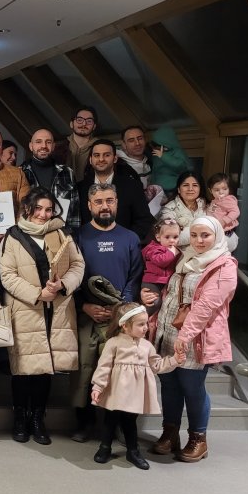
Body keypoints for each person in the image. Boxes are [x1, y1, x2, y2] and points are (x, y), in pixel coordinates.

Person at [142, 216, 237, 463]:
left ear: (216, 236)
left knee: (191, 387)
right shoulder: (185, 258)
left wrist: (184, 336)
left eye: (205, 235)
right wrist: (150, 297)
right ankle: (169, 433)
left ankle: (198, 438)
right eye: (194, 235)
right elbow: (170, 291)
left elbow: (207, 306)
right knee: (170, 385)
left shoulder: (224, 265)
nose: (199, 240)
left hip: (196, 337)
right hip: (167, 331)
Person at [0, 187, 85, 445]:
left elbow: (77, 265)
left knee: (45, 368)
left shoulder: (62, 234)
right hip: (27, 309)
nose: (43, 214)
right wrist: (38, 294)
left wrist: (62, 286)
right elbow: (7, 276)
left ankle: (38, 418)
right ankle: (20, 418)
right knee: (23, 369)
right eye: (38, 209)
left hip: (56, 309)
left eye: (48, 209)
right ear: (28, 208)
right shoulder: (12, 237)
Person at [72, 183, 144, 442]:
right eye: (99, 201)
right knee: (85, 371)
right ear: (90, 205)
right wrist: (85, 305)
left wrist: (120, 307)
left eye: (110, 200)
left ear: (117, 203)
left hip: (120, 319)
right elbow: (73, 276)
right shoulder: (78, 237)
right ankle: (84, 423)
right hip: (87, 316)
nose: (105, 206)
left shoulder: (130, 238)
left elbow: (135, 277)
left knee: (117, 372)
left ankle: (111, 427)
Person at [91, 302, 183, 470]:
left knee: (130, 422)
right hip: (115, 392)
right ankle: (104, 447)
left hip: (134, 394)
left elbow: (157, 366)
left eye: (146, 323)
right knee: (110, 420)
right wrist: (98, 387)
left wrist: (174, 360)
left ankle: (133, 451)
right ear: (125, 326)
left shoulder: (147, 346)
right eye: (141, 324)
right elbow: (103, 367)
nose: (146, 328)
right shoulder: (114, 343)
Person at [77, 139, 154, 240]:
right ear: (90, 160)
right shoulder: (79, 188)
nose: (101, 159)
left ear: (115, 159)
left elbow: (144, 220)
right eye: (96, 155)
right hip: (88, 248)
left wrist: (127, 241)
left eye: (106, 155)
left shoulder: (132, 186)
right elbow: (76, 222)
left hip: (123, 247)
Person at [20, 128, 80, 229]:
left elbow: (75, 210)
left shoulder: (67, 172)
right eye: (38, 142)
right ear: (31, 146)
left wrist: (73, 237)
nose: (43, 146)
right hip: (28, 236)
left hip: (60, 235)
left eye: (48, 142)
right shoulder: (20, 173)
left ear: (53, 146)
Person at [141, 218, 181, 315]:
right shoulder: (153, 249)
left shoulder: (175, 250)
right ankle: (141, 318)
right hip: (152, 282)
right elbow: (161, 261)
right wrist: (172, 253)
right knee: (154, 303)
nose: (171, 240)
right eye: (167, 237)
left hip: (165, 282)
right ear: (158, 237)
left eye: (175, 237)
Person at [160, 171, 207, 247]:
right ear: (179, 189)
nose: (190, 189)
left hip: (207, 251)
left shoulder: (208, 206)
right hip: (182, 253)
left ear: (200, 189)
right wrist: (205, 231)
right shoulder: (168, 209)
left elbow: (219, 231)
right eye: (185, 185)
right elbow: (171, 237)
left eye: (195, 185)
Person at [57, 106, 98, 181]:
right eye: (79, 120)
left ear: (94, 126)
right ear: (71, 124)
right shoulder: (58, 150)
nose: (84, 124)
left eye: (89, 121)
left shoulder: (101, 149)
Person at [149, 126, 194, 194]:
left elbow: (180, 166)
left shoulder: (177, 152)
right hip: (158, 189)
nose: (156, 148)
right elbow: (154, 170)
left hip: (173, 189)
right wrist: (151, 185)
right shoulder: (156, 154)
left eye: (159, 146)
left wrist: (163, 156)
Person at [206, 173, 239, 251]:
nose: (221, 192)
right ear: (210, 190)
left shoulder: (228, 199)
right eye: (217, 190)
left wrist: (224, 220)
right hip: (217, 231)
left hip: (225, 233)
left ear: (229, 188)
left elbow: (236, 211)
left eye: (225, 189)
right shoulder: (215, 201)